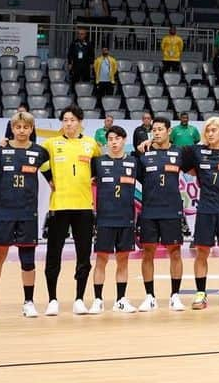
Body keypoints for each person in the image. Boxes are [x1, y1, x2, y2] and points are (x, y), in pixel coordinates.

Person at [0, 111, 48, 319]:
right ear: (12, 128)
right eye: (18, 127)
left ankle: (29, 302)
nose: (22, 130)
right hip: (4, 213)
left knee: (28, 260)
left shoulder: (40, 152)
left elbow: (51, 174)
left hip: (28, 213)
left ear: (31, 129)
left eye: (26, 127)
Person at [40, 105, 102, 316]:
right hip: (59, 206)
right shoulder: (50, 144)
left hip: (84, 207)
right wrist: (49, 179)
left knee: (83, 255)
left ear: (80, 122)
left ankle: (79, 299)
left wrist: (94, 177)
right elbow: (37, 161)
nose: (69, 123)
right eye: (65, 120)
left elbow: (98, 165)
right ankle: (52, 299)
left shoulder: (91, 144)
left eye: (73, 120)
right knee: (53, 254)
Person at [181, 116, 219, 310]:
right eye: (207, 130)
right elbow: (177, 155)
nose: (209, 133)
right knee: (202, 252)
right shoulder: (197, 152)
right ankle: (200, 293)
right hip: (206, 208)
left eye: (214, 130)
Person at [136, 116, 186, 311]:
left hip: (172, 210)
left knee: (175, 252)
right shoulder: (143, 153)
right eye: (154, 130)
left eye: (160, 129)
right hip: (149, 211)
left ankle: (175, 295)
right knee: (148, 252)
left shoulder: (179, 152)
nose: (156, 132)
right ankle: (150, 296)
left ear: (169, 131)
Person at [89, 125, 138, 314]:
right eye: (110, 139)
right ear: (106, 142)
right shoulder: (98, 162)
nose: (114, 142)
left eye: (117, 138)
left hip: (126, 219)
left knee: (123, 260)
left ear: (124, 140)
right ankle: (98, 300)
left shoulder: (134, 163)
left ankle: (120, 300)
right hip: (104, 219)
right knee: (101, 259)